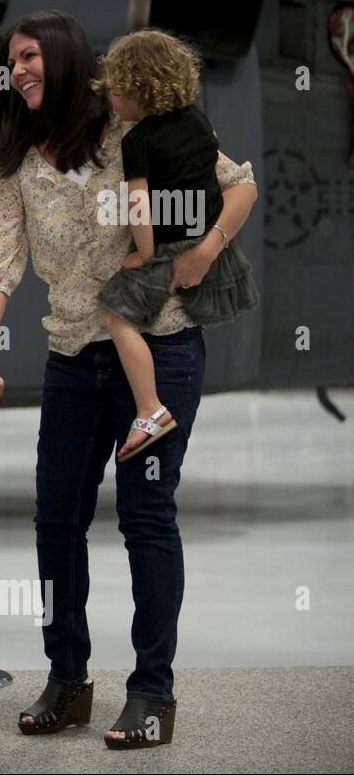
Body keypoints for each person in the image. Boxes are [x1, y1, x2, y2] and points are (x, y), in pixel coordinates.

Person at [0, 10, 258, 749]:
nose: (17, 70)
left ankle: (152, 692)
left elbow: (236, 185)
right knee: (55, 519)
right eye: (11, 61)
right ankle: (67, 678)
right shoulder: (20, 160)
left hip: (158, 351)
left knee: (145, 516)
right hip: (71, 356)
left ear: (62, 60)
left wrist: (202, 253)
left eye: (29, 57)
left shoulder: (138, 127)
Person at [91, 29, 260, 462]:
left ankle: (149, 409)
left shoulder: (136, 141)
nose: (112, 100)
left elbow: (139, 206)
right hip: (206, 240)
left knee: (116, 316)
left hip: (166, 251)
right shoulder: (199, 122)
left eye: (116, 91)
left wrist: (143, 256)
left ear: (136, 91)